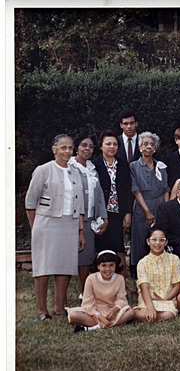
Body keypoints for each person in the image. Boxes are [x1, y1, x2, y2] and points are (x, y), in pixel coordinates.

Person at [25, 134, 86, 320]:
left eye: (70, 148)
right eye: (63, 148)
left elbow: (80, 204)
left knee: (65, 266)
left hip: (70, 224)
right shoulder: (43, 170)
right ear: (54, 150)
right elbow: (30, 203)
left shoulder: (76, 172)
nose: (67, 151)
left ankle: (60, 307)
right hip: (46, 224)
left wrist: (80, 231)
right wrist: (35, 227)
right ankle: (42, 310)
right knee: (43, 268)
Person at [69, 133, 108, 295]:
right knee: (71, 258)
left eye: (91, 146)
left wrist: (103, 217)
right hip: (73, 220)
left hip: (90, 220)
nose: (87, 149)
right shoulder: (69, 167)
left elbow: (99, 195)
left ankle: (84, 292)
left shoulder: (92, 168)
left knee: (86, 259)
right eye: (84, 145)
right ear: (76, 147)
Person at [92, 130, 133, 280]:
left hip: (117, 213)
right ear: (101, 146)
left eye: (115, 144)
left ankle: (121, 284)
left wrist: (127, 213)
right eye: (108, 143)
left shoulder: (123, 165)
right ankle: (99, 283)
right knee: (99, 247)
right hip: (100, 213)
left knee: (119, 248)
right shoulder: (94, 165)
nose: (112, 147)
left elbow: (128, 191)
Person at [67, 250, 134, 332]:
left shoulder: (119, 279)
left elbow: (121, 299)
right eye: (104, 265)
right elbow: (87, 302)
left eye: (111, 265)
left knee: (131, 312)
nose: (108, 269)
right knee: (74, 315)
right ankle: (112, 323)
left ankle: (91, 328)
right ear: (98, 266)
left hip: (112, 312)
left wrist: (115, 309)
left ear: (116, 266)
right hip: (94, 312)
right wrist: (97, 315)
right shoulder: (91, 278)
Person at [129, 132, 170, 267]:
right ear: (140, 147)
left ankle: (158, 268)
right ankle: (140, 270)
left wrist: (166, 210)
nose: (148, 147)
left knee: (157, 238)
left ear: (155, 148)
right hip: (142, 206)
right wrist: (147, 212)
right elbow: (136, 190)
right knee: (141, 239)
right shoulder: (134, 166)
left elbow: (165, 190)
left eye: (151, 144)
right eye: (145, 144)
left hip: (159, 206)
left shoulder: (161, 166)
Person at [133, 228, 180, 322]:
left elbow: (177, 286)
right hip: (148, 300)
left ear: (166, 242)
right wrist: (150, 308)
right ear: (148, 241)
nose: (157, 243)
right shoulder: (142, 262)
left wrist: (165, 299)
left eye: (161, 240)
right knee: (141, 314)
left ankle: (152, 317)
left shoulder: (174, 259)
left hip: (167, 300)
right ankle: (150, 315)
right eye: (154, 239)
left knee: (168, 315)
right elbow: (144, 287)